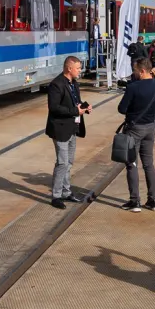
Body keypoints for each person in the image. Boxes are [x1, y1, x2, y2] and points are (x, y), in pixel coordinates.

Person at [116, 57, 155, 212]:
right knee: (149, 164)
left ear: (142, 71)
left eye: (135, 71)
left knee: (132, 164)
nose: (134, 74)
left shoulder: (133, 87)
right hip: (150, 127)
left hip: (134, 129)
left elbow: (122, 109)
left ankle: (135, 201)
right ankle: (153, 200)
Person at [45, 55, 91, 209]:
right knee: (62, 163)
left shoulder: (74, 83)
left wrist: (84, 107)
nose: (80, 70)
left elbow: (76, 101)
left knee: (69, 162)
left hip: (72, 128)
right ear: (69, 68)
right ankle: (56, 196)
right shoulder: (56, 85)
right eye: (78, 68)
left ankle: (66, 191)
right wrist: (74, 111)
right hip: (60, 129)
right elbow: (54, 107)